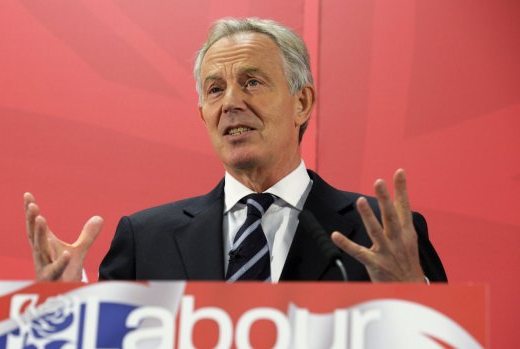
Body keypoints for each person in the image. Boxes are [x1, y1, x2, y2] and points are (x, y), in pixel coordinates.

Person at [24, 18, 446, 283]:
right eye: (214, 89)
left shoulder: (382, 236)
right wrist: (64, 303)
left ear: (302, 103)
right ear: (203, 115)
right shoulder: (146, 239)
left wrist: (410, 300)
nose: (230, 102)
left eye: (252, 82)